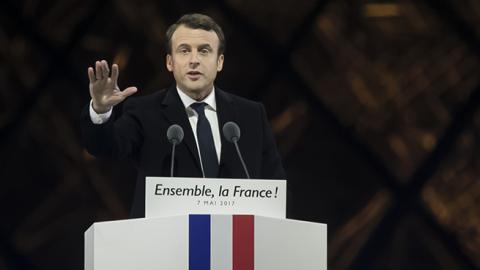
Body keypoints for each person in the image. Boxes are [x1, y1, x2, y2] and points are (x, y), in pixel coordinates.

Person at [81, 13, 286, 218]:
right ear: (170, 62)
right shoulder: (144, 112)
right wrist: (100, 109)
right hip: (165, 243)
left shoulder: (251, 115)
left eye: (204, 51)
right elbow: (105, 148)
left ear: (219, 62)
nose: (194, 60)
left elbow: (276, 188)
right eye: (184, 51)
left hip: (237, 243)